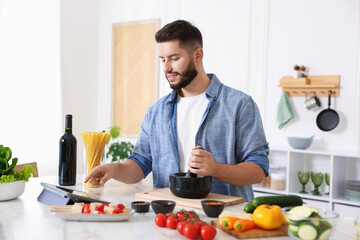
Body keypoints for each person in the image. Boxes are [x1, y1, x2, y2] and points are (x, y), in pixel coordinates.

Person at [85, 20, 269, 201]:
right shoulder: (156, 112)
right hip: (169, 217)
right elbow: (140, 164)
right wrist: (113, 169)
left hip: (224, 219)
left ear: (198, 55)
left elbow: (259, 170)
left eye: (174, 59)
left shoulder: (239, 104)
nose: (166, 68)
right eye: (163, 60)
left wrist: (215, 169)